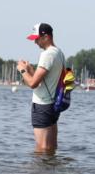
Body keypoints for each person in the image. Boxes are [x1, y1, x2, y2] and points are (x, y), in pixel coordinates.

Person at [17, 23, 65, 154]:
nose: (35, 42)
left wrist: (22, 70)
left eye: (37, 39)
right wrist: (30, 69)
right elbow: (43, 81)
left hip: (42, 106)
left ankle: (40, 168)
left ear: (46, 37)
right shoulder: (59, 53)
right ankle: (51, 167)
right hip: (53, 105)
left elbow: (33, 83)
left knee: (42, 148)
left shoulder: (47, 55)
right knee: (51, 147)